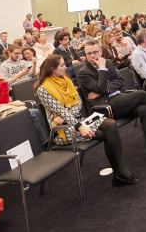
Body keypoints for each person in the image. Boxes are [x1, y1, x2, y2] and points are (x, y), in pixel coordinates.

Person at [77, 40, 146, 172]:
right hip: (104, 108)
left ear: (101, 51)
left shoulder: (108, 62)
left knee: (145, 109)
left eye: (95, 52)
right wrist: (102, 71)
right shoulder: (83, 72)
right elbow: (100, 87)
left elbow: (120, 81)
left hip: (119, 100)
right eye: (89, 53)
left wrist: (103, 90)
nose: (92, 56)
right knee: (142, 94)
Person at [36, 55, 139, 186]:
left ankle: (121, 171)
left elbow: (78, 104)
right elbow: (62, 112)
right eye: (62, 65)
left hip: (76, 120)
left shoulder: (66, 80)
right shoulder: (43, 89)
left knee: (110, 124)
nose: (66, 67)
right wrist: (78, 125)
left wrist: (68, 113)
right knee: (108, 133)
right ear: (52, 69)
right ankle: (120, 173)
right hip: (62, 131)